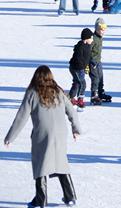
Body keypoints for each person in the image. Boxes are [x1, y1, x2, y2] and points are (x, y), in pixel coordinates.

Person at [3, 65, 82, 208]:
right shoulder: (58, 91)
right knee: (61, 163)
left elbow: (21, 117)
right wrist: (75, 129)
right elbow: (72, 111)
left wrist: (10, 137)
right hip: (60, 133)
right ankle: (70, 197)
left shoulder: (32, 93)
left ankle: (41, 200)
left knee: (41, 165)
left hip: (42, 134)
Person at [67, 29, 93, 109]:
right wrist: (82, 67)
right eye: (91, 38)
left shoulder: (88, 46)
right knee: (82, 83)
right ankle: (80, 99)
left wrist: (87, 67)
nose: (92, 40)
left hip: (79, 68)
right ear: (86, 39)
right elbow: (78, 59)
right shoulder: (80, 47)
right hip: (76, 68)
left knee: (77, 83)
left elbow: (87, 58)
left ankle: (70, 98)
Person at [89, 18, 111, 106]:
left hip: (98, 61)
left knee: (101, 77)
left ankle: (100, 93)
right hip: (92, 62)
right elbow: (88, 51)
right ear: (96, 29)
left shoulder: (100, 38)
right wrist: (87, 64)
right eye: (100, 30)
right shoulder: (93, 38)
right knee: (95, 79)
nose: (102, 32)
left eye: (104, 30)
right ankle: (94, 96)